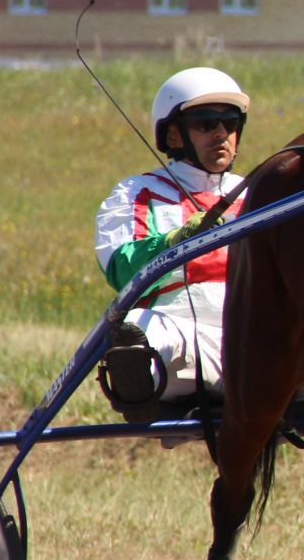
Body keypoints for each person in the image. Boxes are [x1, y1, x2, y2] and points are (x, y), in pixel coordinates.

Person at [95, 67, 249, 423]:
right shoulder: (137, 192)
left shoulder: (260, 192)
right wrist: (175, 241)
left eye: (230, 122)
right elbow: (121, 269)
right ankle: (137, 388)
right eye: (206, 123)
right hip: (180, 342)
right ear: (174, 135)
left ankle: (299, 385)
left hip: (253, 338)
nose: (221, 133)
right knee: (134, 327)